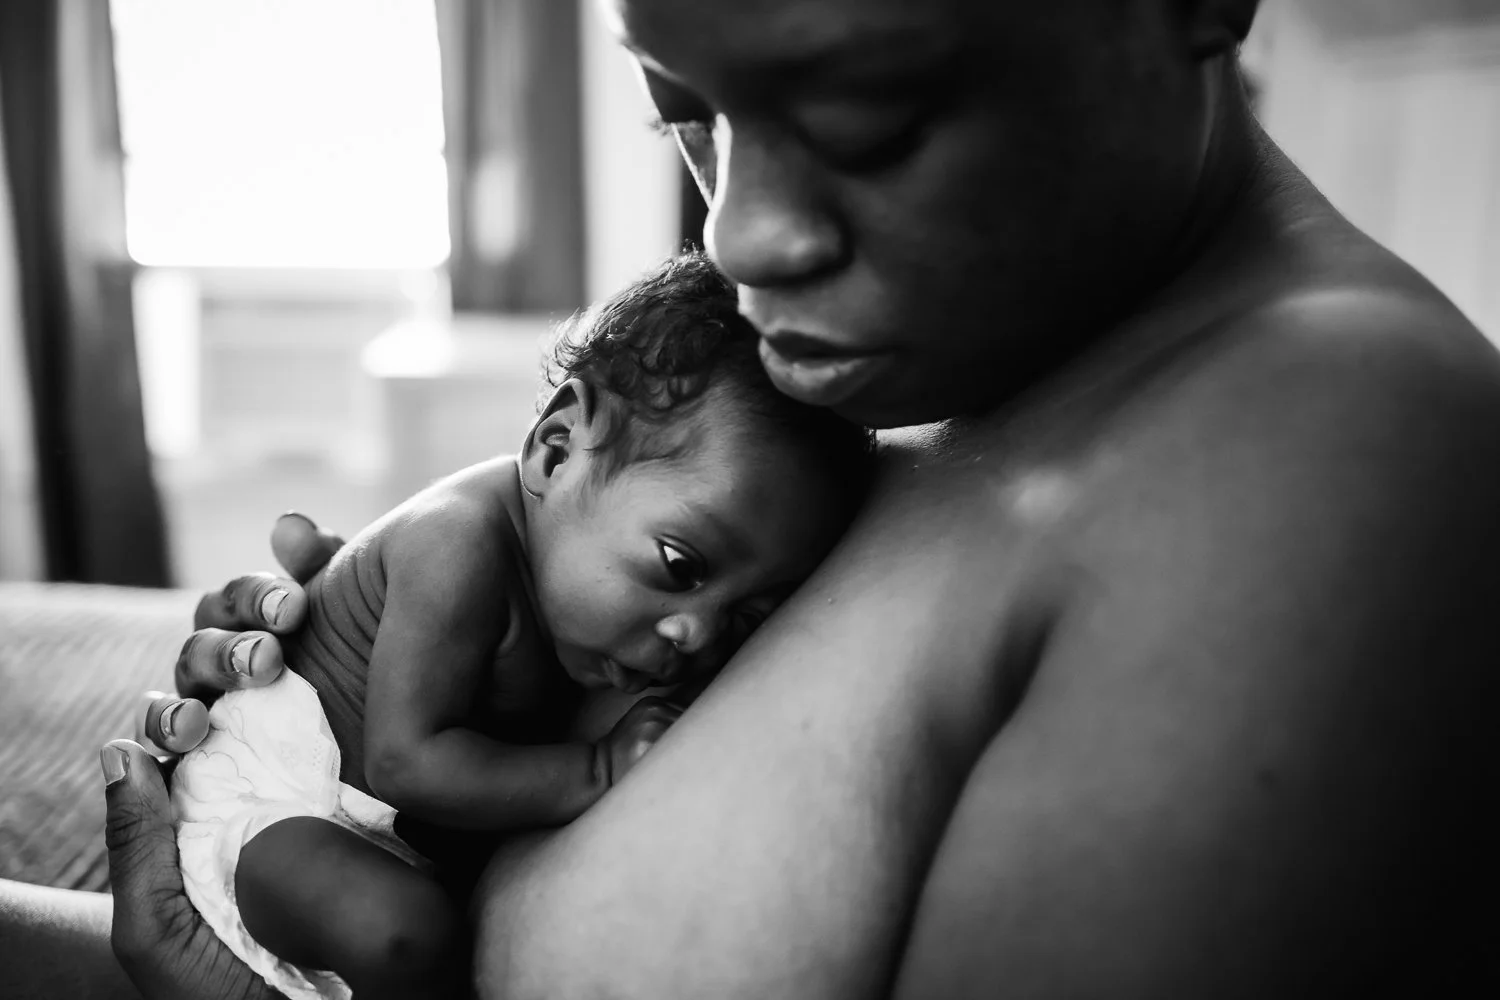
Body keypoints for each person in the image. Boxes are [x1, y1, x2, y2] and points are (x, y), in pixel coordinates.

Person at [4, 0, 1498, 996]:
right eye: (686, 114)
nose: (742, 234)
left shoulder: (1335, 449)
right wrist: (404, 647)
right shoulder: (983, 356)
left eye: (865, 121)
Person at [153, 251, 870, 1000]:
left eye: (746, 617)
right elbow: (405, 762)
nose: (699, 634)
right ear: (558, 451)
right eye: (681, 564)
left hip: (353, 827)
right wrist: (597, 769)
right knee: (403, 931)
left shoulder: (577, 602)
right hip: (270, 803)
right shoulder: (455, 543)